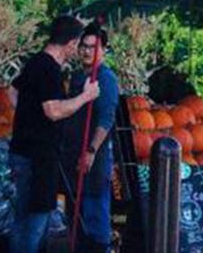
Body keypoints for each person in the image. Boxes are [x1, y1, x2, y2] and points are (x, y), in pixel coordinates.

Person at [8, 16, 100, 253]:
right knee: (35, 222)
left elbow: (11, 92)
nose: (78, 49)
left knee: (22, 218)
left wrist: (28, 116)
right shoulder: (49, 69)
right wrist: (85, 97)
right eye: (78, 43)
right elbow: (53, 110)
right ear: (70, 43)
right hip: (38, 158)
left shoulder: (35, 62)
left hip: (23, 151)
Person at [62, 22, 120, 253]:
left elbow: (106, 119)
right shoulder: (77, 78)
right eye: (83, 46)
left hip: (92, 160)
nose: (87, 51)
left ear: (103, 50)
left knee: (94, 214)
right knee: (75, 216)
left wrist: (91, 150)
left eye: (93, 47)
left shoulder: (105, 79)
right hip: (71, 155)